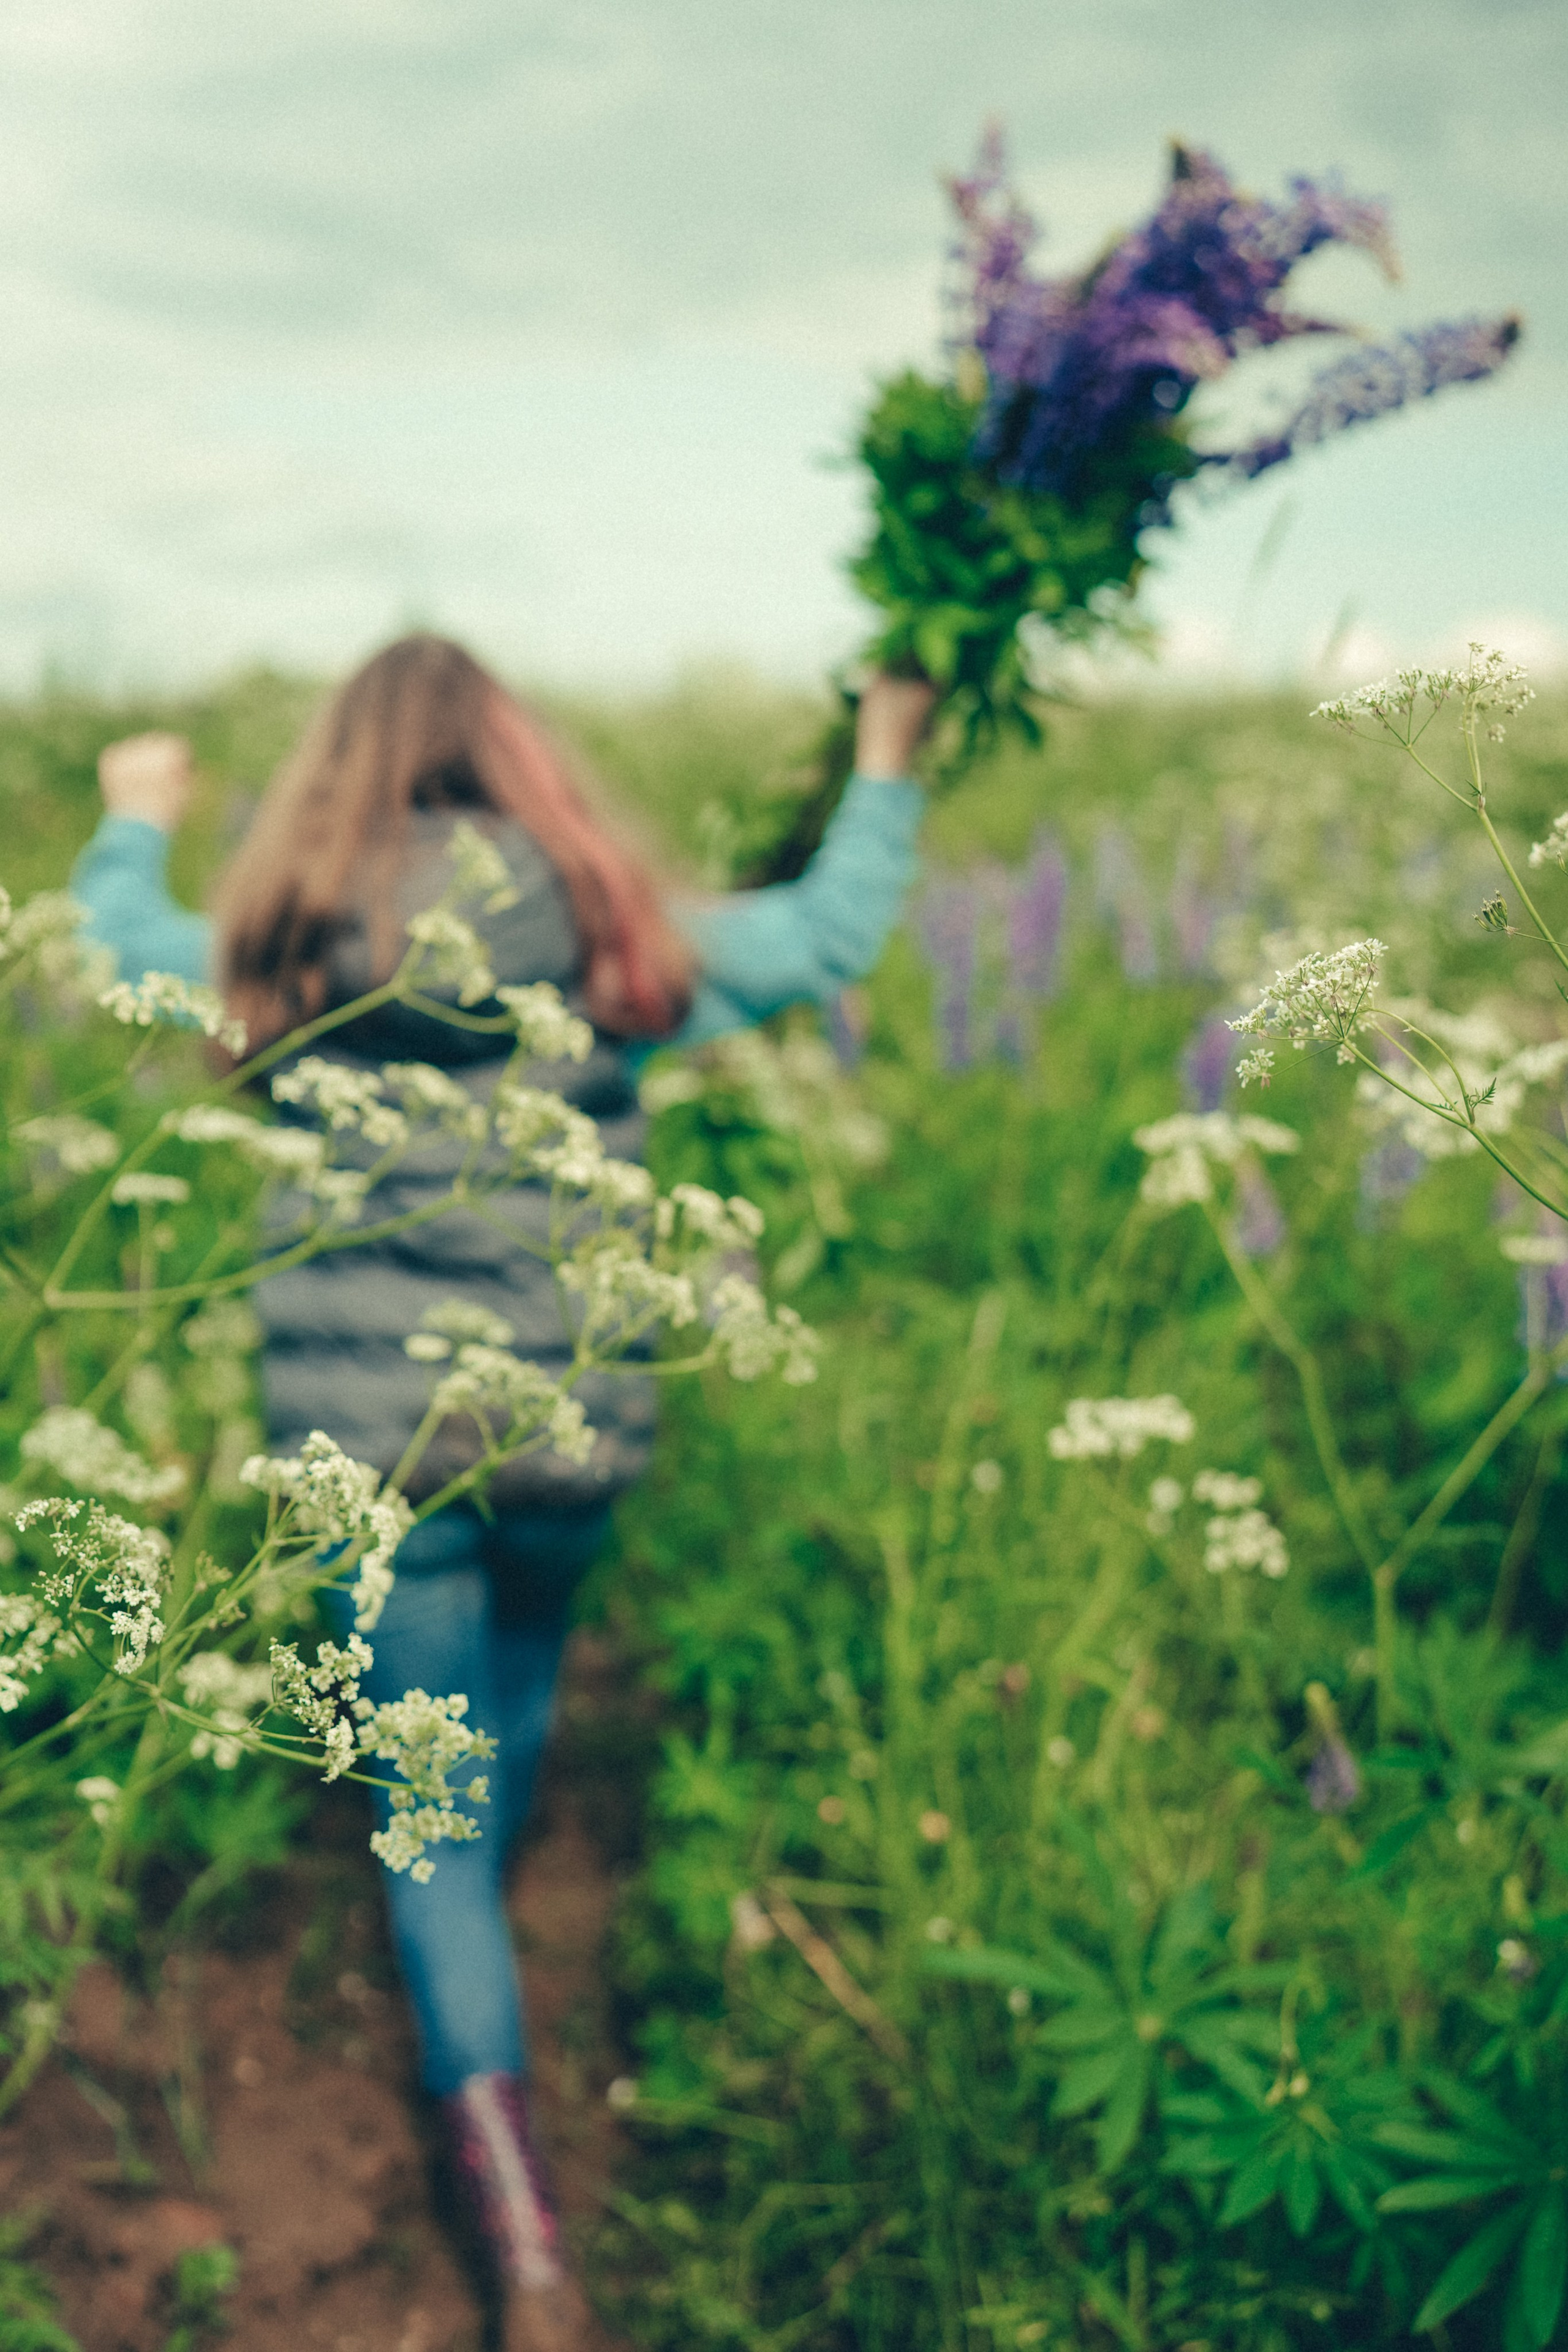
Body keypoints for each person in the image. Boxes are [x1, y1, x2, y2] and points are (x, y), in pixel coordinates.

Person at [70, 635, 933, 2352]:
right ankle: (508, 1849)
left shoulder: (282, 936)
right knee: (518, 1680)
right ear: (522, 764)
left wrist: (132, 816)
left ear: (332, 775)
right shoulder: (612, 929)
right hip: (566, 1423)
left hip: (370, 1457)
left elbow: (120, 952)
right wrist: (891, 754)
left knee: (428, 1819)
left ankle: (527, 2249)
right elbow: (832, 935)